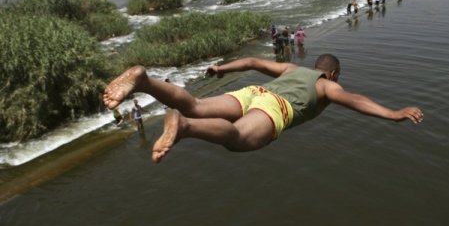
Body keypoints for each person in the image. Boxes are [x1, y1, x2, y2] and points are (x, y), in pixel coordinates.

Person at [102, 54, 424, 163]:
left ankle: (144, 81)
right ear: (334, 73)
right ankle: (184, 127)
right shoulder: (327, 84)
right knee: (240, 139)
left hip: (254, 92)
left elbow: (254, 62)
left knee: (196, 104)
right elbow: (355, 101)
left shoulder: (291, 68)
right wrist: (393, 114)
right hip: (276, 106)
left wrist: (222, 68)